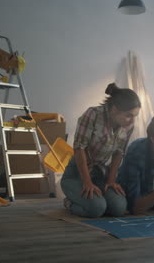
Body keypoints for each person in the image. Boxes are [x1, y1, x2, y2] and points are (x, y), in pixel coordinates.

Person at [60, 83, 141, 218]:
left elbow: (119, 153)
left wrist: (111, 180)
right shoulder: (93, 114)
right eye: (129, 115)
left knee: (119, 209)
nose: (132, 120)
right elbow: (79, 149)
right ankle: (69, 202)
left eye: (135, 116)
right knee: (96, 209)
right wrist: (87, 182)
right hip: (77, 174)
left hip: (101, 174)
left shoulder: (128, 126)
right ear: (114, 109)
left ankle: (91, 200)